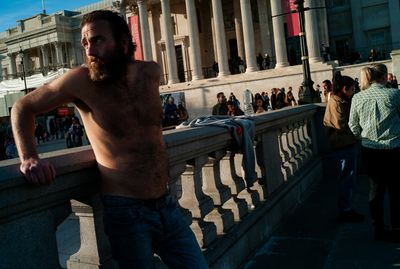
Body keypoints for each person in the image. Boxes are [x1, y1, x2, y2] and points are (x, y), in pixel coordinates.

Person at [10, 10, 208, 268]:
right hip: (126, 213)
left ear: (123, 42)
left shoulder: (150, 73)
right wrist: (29, 157)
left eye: (97, 41)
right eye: (85, 43)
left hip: (166, 204)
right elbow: (23, 107)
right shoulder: (81, 81)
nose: (90, 51)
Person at [349, 63, 400, 242]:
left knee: (375, 190)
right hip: (394, 148)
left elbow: (353, 125)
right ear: (385, 77)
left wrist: (363, 138)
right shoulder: (395, 94)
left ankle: (378, 228)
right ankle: (396, 227)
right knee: (396, 190)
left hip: (370, 150)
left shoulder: (357, 97)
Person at [323, 72, 364, 223]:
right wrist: (358, 129)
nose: (354, 92)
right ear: (345, 88)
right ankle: (345, 210)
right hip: (342, 144)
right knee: (346, 179)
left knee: (349, 178)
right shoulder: (336, 102)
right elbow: (341, 124)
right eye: (352, 89)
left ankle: (347, 207)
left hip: (346, 143)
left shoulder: (341, 100)